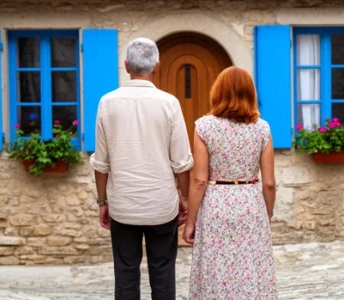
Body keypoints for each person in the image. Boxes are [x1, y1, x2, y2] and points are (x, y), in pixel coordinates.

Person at [90, 37, 193, 300]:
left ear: (126, 66)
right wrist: (184, 197)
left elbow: (101, 162)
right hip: (161, 205)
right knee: (163, 272)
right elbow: (181, 161)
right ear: (157, 66)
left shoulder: (107, 102)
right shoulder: (169, 103)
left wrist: (102, 201)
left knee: (125, 274)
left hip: (123, 205)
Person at [183, 66, 278, 299]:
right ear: (250, 93)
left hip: (216, 204)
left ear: (218, 93)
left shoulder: (204, 127)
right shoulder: (262, 128)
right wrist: (267, 212)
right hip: (250, 203)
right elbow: (269, 183)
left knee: (216, 269)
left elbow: (199, 180)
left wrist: (190, 221)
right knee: (251, 268)